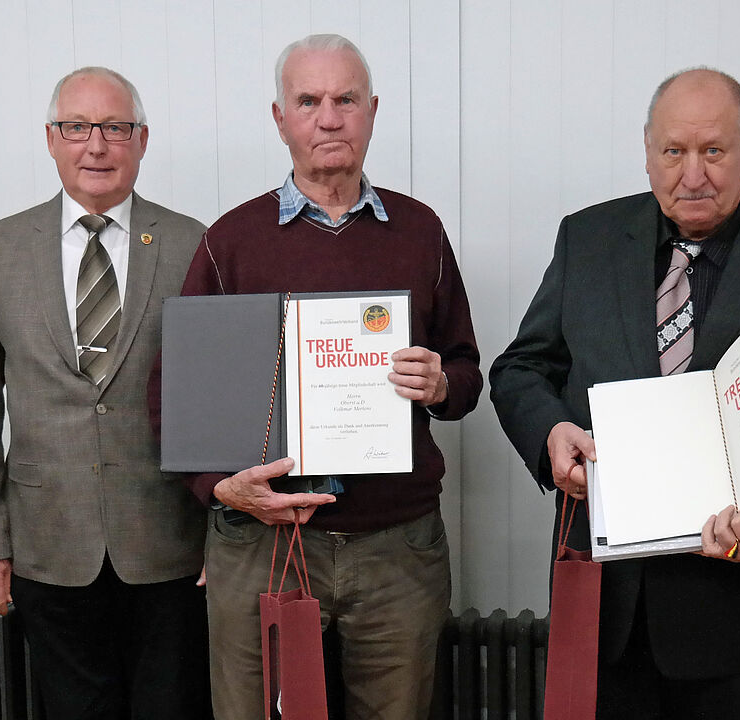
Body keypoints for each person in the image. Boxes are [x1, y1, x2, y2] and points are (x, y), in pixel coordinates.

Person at [489, 68, 740, 718]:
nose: (693, 175)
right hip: (602, 609)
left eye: (714, 151)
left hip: (730, 616)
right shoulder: (589, 240)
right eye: (674, 152)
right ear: (646, 149)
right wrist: (552, 432)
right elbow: (521, 369)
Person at [168, 34, 481, 720]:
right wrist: (218, 489)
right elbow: (178, 399)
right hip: (262, 543)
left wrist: (440, 385)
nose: (328, 118)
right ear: (280, 118)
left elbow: (466, 372)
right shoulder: (230, 241)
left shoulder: (420, 232)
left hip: (398, 547)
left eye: (344, 100)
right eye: (308, 101)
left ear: (372, 111)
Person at [0, 67, 211, 719]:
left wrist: (224, 536)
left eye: (116, 128)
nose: (96, 145)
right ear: (51, 139)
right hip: (47, 545)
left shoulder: (192, 244)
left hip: (169, 546)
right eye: (78, 127)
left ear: (142, 141)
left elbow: (217, 401)